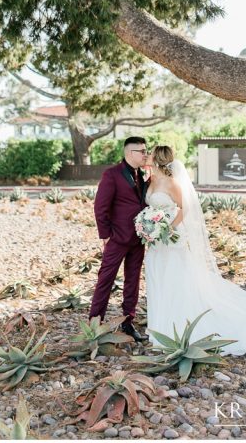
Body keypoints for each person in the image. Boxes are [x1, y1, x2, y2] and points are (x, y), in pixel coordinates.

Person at [144, 145, 246, 355]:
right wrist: (150, 227)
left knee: (175, 279)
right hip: (156, 239)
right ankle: (160, 325)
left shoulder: (171, 183)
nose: (146, 155)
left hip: (171, 237)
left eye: (149, 153)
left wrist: (168, 227)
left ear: (157, 158)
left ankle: (176, 325)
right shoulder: (150, 180)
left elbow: (186, 207)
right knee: (158, 276)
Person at [88, 136, 150, 342]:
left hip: (138, 238)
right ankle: (95, 323)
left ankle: (128, 321)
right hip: (117, 237)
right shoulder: (112, 174)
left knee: (133, 281)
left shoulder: (142, 175)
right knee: (105, 279)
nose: (146, 154)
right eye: (142, 151)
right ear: (130, 153)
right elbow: (100, 207)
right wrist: (105, 235)